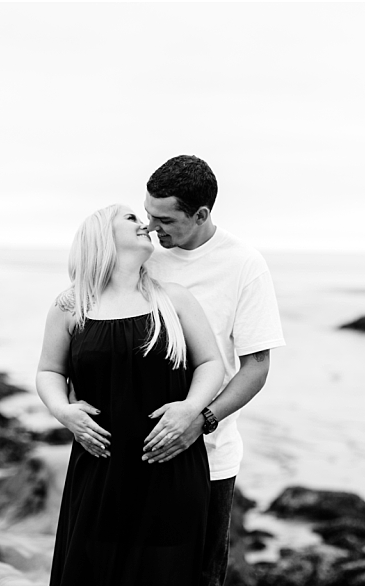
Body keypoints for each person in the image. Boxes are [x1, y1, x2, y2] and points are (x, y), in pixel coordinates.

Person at [72, 155, 286, 584]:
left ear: (201, 214)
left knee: (197, 575)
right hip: (128, 456)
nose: (151, 228)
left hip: (208, 456)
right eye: (147, 215)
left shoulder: (243, 265)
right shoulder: (145, 253)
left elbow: (256, 367)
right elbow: (93, 321)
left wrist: (199, 419)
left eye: (165, 219)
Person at [36, 203, 225, 585]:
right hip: (100, 469)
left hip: (170, 467)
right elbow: (48, 371)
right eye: (131, 219)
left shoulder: (173, 299)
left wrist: (191, 408)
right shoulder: (72, 305)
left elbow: (211, 364)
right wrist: (62, 410)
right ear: (101, 235)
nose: (145, 225)